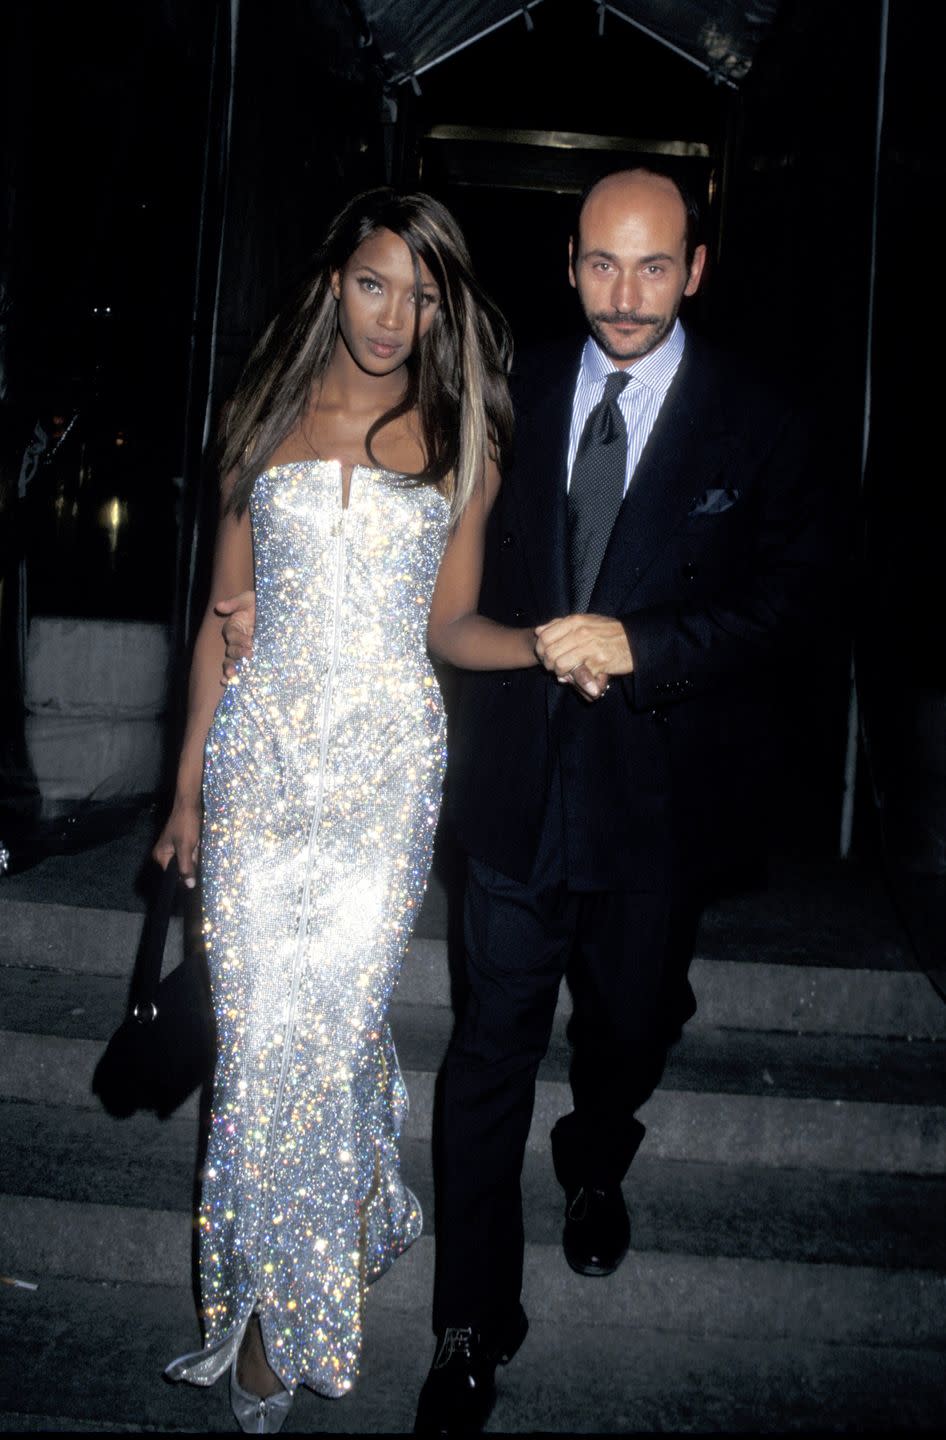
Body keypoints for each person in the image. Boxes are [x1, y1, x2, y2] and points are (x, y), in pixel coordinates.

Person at [220, 166, 830, 1436]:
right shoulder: (510, 394)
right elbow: (423, 560)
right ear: (567, 263)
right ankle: (468, 1322)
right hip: (511, 793)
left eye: (653, 266)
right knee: (488, 1054)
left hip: (657, 805)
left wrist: (646, 644)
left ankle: (599, 1147)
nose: (626, 293)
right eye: (602, 264)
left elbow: (792, 608)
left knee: (627, 1022)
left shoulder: (759, 418)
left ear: (695, 271)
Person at [152, 186, 544, 1433]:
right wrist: (187, 788)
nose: (394, 316)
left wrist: (546, 643)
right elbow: (224, 619)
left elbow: (451, 630)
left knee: (325, 1033)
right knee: (267, 1045)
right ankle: (270, 1290)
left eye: (421, 296)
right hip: (264, 758)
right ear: (334, 283)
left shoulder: (460, 432)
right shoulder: (260, 414)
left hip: (381, 766)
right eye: (375, 284)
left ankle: (290, 1329)